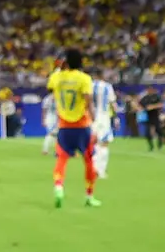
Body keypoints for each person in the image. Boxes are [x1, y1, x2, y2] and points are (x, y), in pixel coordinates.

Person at [47, 49, 99, 208]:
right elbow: (89, 102)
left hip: (64, 126)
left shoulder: (57, 77)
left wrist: (59, 69)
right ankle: (89, 196)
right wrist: (95, 122)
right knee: (89, 161)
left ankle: (58, 186)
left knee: (61, 159)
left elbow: (49, 87)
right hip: (82, 126)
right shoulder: (84, 79)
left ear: (65, 62)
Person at [90, 71, 117, 180]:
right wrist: (115, 117)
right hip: (104, 118)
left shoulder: (89, 85)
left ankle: (93, 168)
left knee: (94, 144)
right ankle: (101, 171)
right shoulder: (107, 86)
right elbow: (112, 103)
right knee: (104, 144)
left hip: (92, 118)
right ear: (102, 76)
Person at [140, 85, 164, 150]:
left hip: (156, 116)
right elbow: (140, 105)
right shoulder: (145, 98)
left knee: (159, 131)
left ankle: (160, 144)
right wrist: (142, 109)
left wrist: (152, 106)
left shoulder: (156, 96)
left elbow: (161, 104)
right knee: (147, 133)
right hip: (148, 117)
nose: (149, 91)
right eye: (148, 90)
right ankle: (151, 146)